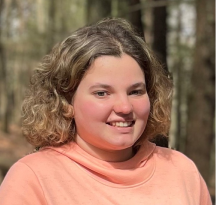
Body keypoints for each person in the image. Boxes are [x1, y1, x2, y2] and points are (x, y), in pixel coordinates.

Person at [0, 18, 212, 205]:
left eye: (136, 91)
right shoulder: (33, 178)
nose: (125, 107)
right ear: (66, 100)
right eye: (102, 93)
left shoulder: (182, 171)